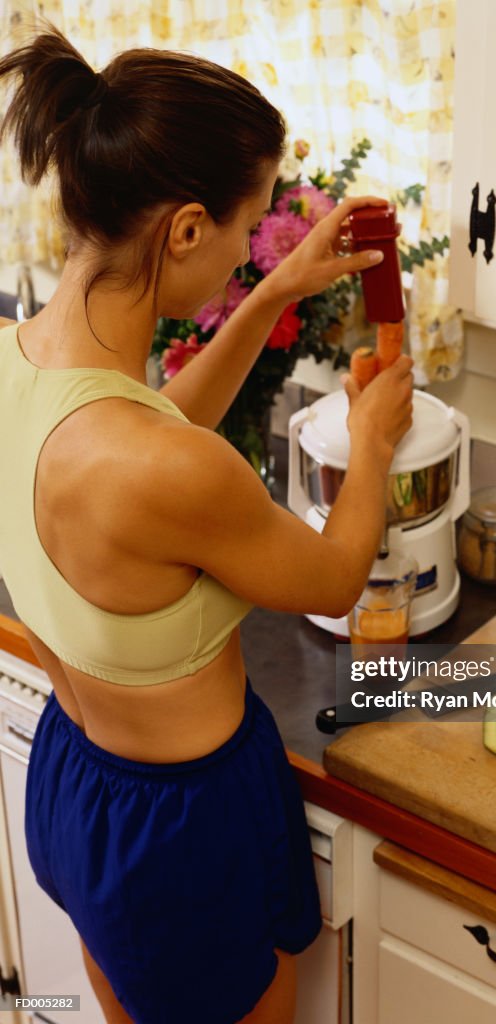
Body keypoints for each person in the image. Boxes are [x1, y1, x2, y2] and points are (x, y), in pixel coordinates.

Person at [0, 23, 413, 1024]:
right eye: (247, 228)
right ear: (184, 229)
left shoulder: (24, 362)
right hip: (181, 824)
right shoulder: (167, 471)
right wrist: (370, 441)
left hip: (80, 779)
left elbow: (151, 428)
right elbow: (331, 576)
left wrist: (276, 285)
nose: (245, 247)